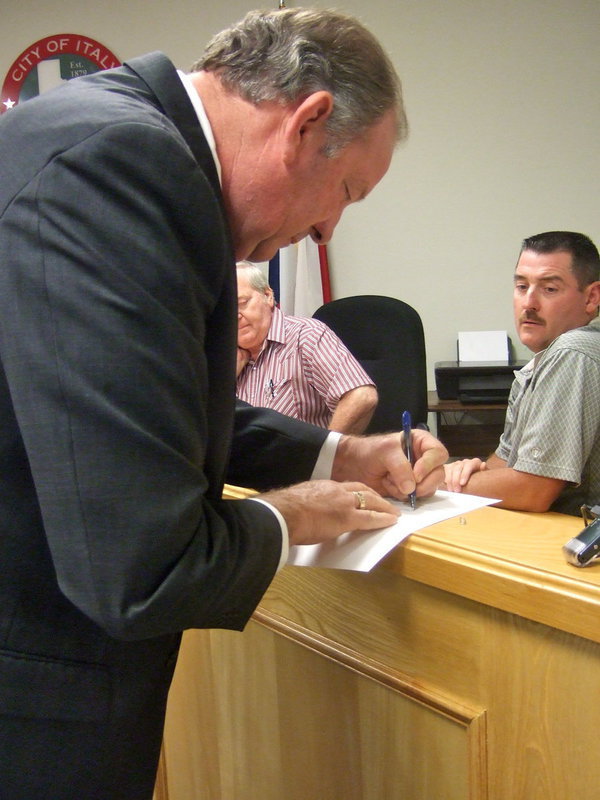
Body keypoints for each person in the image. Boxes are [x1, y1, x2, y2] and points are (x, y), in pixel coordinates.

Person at [0, 8, 448, 798]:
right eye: (344, 191)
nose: (326, 229)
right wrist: (296, 512)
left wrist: (342, 451)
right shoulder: (128, 163)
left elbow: (132, 406)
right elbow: (145, 568)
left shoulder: (92, 130)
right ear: (308, 123)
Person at [443, 231, 600, 515]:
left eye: (549, 289)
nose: (529, 303)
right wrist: (467, 472)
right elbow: (505, 463)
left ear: (591, 298)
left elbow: (533, 491)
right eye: (521, 286)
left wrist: (435, 482)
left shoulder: (574, 351)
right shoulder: (540, 362)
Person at [236, 261, 378, 434]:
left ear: (268, 296)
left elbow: (362, 397)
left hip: (300, 459)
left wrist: (326, 456)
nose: (235, 315)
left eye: (242, 303)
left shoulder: (306, 336)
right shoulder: (226, 353)